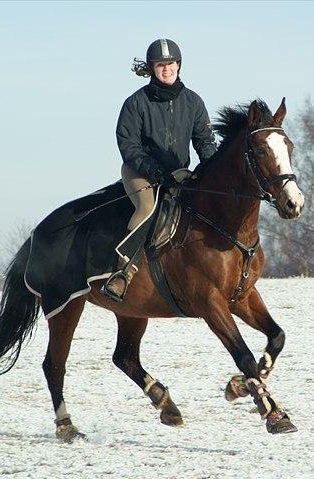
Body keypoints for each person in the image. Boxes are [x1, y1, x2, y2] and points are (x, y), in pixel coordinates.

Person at [101, 38, 217, 302]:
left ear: (179, 65)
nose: (167, 69)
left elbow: (205, 142)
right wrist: (156, 172)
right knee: (146, 209)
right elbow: (128, 145)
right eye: (160, 64)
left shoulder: (193, 101)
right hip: (139, 172)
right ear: (152, 68)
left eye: (171, 63)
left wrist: (208, 171)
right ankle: (122, 274)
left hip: (179, 174)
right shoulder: (136, 102)